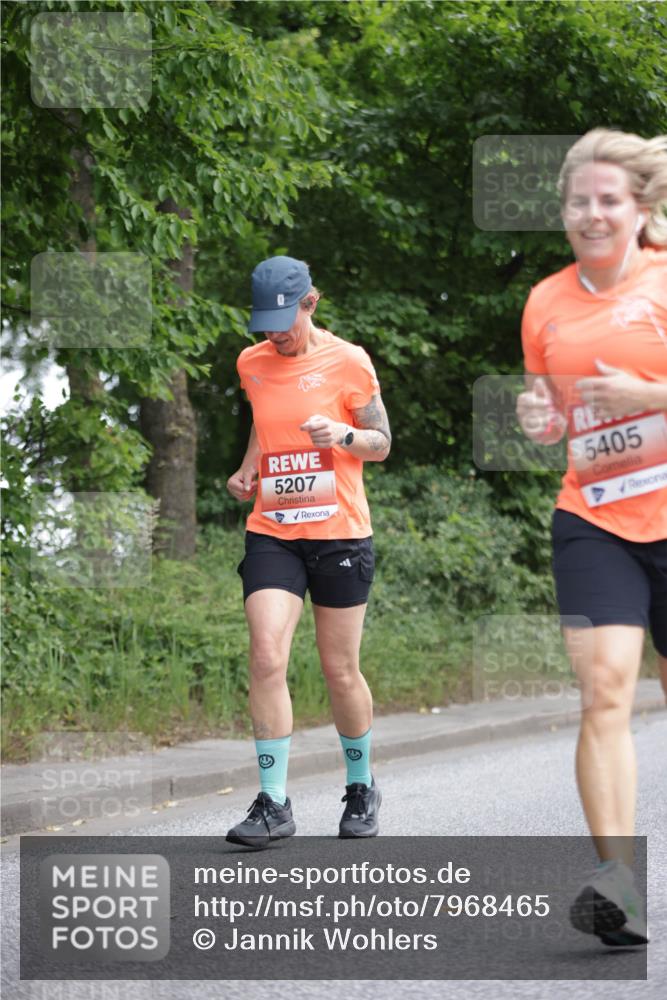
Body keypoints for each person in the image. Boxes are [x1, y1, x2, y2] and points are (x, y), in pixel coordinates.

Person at [517, 129, 667, 947]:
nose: (592, 213)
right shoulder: (543, 301)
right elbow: (549, 413)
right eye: (579, 200)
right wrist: (538, 417)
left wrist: (644, 390)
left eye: (609, 199)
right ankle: (619, 885)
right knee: (604, 686)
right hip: (594, 516)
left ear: (638, 209)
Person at [225, 255, 391, 847]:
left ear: (310, 304)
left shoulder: (348, 360)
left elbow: (381, 442)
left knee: (339, 669)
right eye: (264, 321)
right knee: (267, 655)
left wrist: (344, 435)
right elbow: (263, 423)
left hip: (340, 532)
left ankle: (360, 785)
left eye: (283, 319)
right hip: (273, 528)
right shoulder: (252, 363)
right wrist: (247, 470)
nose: (274, 332)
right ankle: (273, 805)